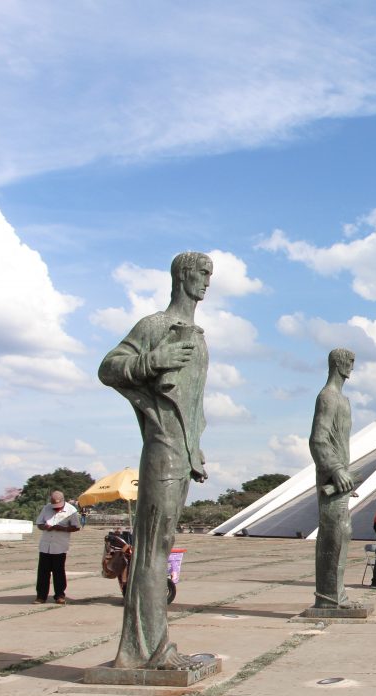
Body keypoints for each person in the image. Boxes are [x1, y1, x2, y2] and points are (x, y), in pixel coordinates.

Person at [99, 251, 211, 669]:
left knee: (161, 545)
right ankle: (147, 651)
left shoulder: (198, 334)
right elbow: (109, 367)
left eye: (209, 275)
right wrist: (152, 361)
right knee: (150, 550)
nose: (206, 282)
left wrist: (194, 446)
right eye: (201, 273)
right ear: (182, 275)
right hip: (162, 447)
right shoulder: (156, 326)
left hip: (181, 450)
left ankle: (151, 646)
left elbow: (192, 401)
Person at [310, 347, 363, 609]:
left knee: (343, 533)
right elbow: (318, 439)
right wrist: (336, 470)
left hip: (339, 481)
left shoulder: (343, 400)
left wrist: (345, 477)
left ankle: (337, 595)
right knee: (332, 534)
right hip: (330, 478)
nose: (352, 366)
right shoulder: (328, 398)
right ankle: (328, 598)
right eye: (350, 362)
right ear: (338, 364)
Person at [34, 491, 82, 604]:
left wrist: (63, 528)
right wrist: (45, 526)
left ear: (63, 501)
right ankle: (41, 596)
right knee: (43, 573)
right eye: (54, 507)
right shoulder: (46, 508)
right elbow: (39, 524)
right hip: (45, 546)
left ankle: (60, 595)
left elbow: (76, 527)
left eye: (58, 508)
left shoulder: (71, 511)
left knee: (59, 572)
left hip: (60, 547)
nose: (56, 509)